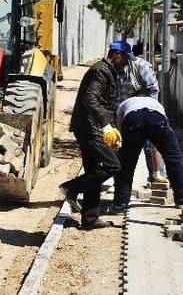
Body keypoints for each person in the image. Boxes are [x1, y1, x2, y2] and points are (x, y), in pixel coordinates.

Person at [58, 45, 128, 230]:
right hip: (90, 128)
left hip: (93, 128)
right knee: (113, 165)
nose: (126, 63)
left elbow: (105, 102)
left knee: (93, 172)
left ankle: (90, 218)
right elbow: (90, 99)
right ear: (117, 55)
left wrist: (111, 127)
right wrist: (105, 124)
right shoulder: (100, 71)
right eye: (125, 58)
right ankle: (72, 187)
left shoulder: (108, 71)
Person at [111, 96, 183, 211]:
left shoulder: (123, 104)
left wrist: (122, 147)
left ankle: (119, 205)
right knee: (174, 157)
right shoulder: (155, 103)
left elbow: (120, 127)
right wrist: (156, 169)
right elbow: (162, 133)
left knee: (126, 163)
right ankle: (182, 199)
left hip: (133, 119)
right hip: (156, 117)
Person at [114, 40, 168, 184]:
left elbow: (153, 89)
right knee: (120, 148)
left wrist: (147, 112)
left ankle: (156, 177)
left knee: (150, 146)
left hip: (142, 113)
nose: (112, 59)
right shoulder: (113, 69)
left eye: (115, 56)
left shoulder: (140, 66)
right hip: (122, 114)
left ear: (122, 56)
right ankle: (121, 181)